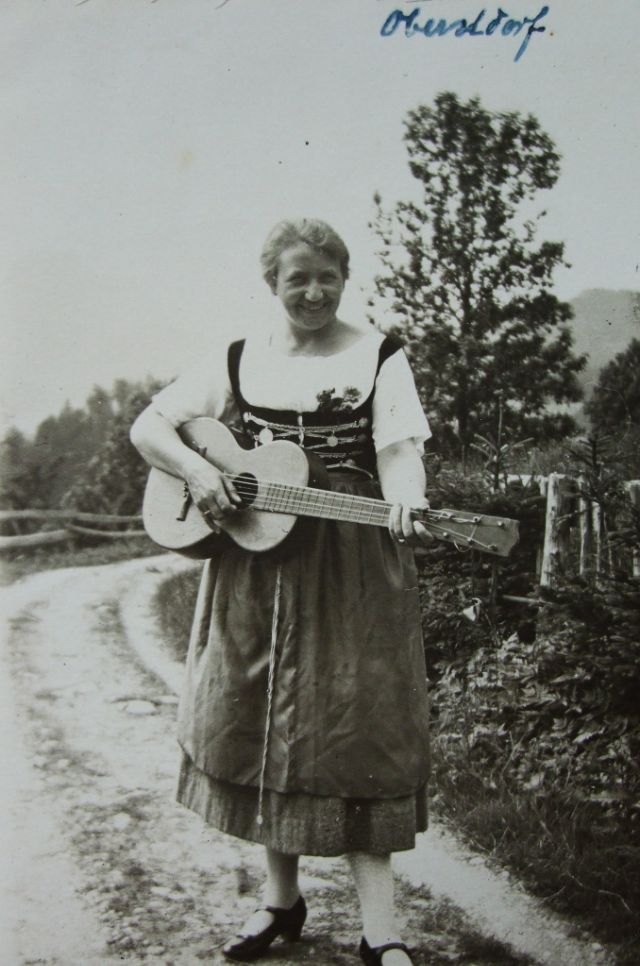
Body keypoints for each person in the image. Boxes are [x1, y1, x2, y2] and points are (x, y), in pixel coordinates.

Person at [130, 218, 432, 966]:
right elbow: (149, 428)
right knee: (262, 713)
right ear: (273, 283)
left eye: (328, 277)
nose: (315, 292)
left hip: (351, 560)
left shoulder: (380, 355)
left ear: (345, 279)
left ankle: (380, 930)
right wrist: (200, 471)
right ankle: (280, 902)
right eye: (299, 278)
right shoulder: (239, 356)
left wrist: (406, 499)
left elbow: (400, 450)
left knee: (359, 726)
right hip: (258, 556)